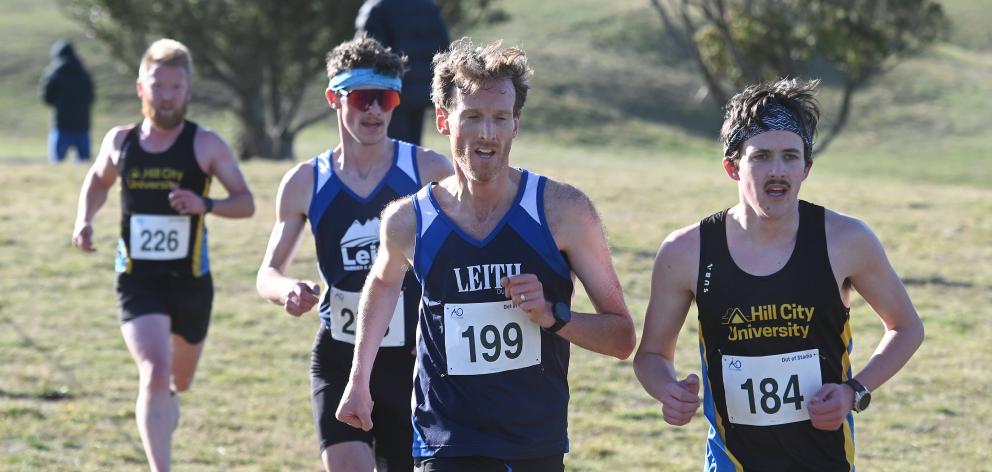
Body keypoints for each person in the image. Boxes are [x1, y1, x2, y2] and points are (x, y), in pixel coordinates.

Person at [335, 38, 637, 472]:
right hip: (444, 440)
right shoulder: (408, 220)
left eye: (500, 118)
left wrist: (554, 316)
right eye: (472, 116)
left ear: (516, 124)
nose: (487, 133)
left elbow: (622, 337)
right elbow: (382, 285)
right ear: (443, 120)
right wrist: (358, 381)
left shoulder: (563, 211)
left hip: (533, 442)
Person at [633, 78, 924, 471]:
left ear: (807, 167)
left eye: (790, 156)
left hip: (825, 461)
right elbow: (651, 355)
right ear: (732, 167)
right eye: (761, 156)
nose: (778, 171)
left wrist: (853, 391)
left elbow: (907, 327)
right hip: (731, 462)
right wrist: (667, 390)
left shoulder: (847, 240)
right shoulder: (685, 251)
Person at [256, 35, 453, 472]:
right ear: (334, 98)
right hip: (339, 354)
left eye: (386, 99)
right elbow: (268, 272)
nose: (375, 111)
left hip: (415, 361)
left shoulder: (428, 172)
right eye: (364, 98)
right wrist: (287, 290)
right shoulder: (305, 181)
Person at [71, 38, 255, 472]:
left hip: (191, 282)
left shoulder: (206, 145)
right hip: (137, 278)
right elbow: (98, 181)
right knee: (154, 371)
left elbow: (245, 202)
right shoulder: (121, 141)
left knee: (178, 380)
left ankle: (167, 402)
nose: (167, 95)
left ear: (188, 92)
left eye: (176, 87)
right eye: (158, 85)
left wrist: (204, 204)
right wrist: (84, 220)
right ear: (141, 88)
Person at [356, 0, 449, 146]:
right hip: (423, 93)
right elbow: (444, 48)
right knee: (413, 149)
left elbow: (365, 56)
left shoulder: (377, 8)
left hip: (389, 96)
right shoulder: (428, 7)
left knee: (391, 151)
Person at [40, 39, 95, 163]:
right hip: (82, 124)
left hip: (61, 124)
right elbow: (91, 97)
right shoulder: (84, 72)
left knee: (56, 163)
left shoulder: (54, 72)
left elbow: (46, 97)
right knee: (84, 163)